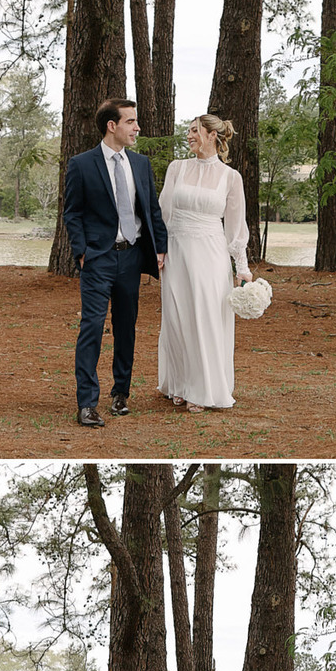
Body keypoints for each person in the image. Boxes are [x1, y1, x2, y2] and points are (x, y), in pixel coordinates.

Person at [63, 98, 168, 428]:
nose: (137, 127)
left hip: (132, 257)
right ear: (112, 125)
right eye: (131, 122)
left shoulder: (140, 164)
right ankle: (87, 403)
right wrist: (82, 251)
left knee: (126, 328)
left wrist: (160, 249)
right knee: (91, 327)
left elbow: (151, 210)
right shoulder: (81, 164)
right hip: (98, 258)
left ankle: (120, 393)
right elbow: (72, 212)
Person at [157, 114, 253, 413]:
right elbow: (163, 211)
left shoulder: (231, 177)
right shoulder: (177, 168)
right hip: (177, 250)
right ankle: (180, 383)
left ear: (212, 135)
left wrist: (243, 267)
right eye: (188, 131)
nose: (189, 135)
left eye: (195, 130)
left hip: (211, 254)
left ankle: (203, 389)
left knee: (205, 318)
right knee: (177, 317)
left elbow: (236, 226)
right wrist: (160, 250)